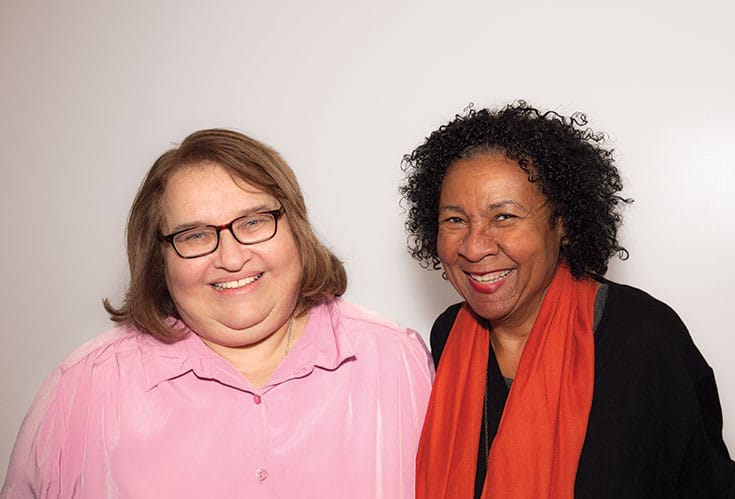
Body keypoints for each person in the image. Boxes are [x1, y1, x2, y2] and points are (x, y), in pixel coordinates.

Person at [2, 128, 434, 498]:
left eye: (253, 222)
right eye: (195, 235)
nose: (231, 258)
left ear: (296, 228)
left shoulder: (395, 362)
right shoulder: (85, 389)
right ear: (159, 257)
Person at [400, 102, 735, 498]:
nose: (474, 247)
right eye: (455, 220)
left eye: (504, 217)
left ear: (563, 224)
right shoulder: (447, 335)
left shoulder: (643, 338)